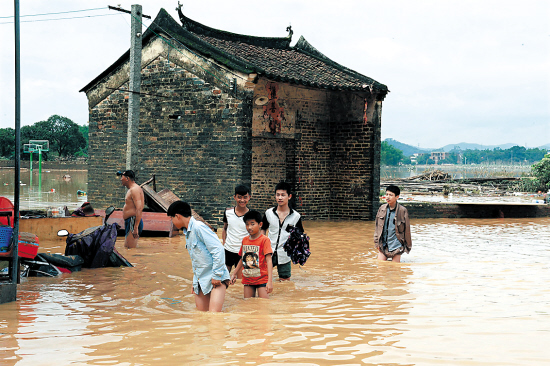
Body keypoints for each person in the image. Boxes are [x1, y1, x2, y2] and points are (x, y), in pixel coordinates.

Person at [167, 200, 230, 312]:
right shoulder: (187, 233)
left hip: (217, 277)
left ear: (177, 216)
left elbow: (218, 250)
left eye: (171, 218)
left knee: (214, 317)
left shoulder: (199, 227)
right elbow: (197, 260)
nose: (171, 222)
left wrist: (217, 275)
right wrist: (195, 281)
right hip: (201, 280)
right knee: (201, 316)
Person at [261, 181, 304, 281]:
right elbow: (263, 229)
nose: (280, 198)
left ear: (289, 196)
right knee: (263, 279)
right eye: (278, 195)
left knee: (285, 283)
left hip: (285, 254)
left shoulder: (296, 216)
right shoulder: (269, 213)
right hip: (268, 252)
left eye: (283, 195)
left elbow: (300, 235)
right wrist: (263, 245)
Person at [230, 210, 273, 298]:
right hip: (248, 279)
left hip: (262, 279)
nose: (249, 227)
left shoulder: (264, 240)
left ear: (260, 224)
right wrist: (234, 274)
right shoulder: (245, 240)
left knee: (264, 305)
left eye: (252, 224)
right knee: (248, 304)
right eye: (247, 224)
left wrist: (270, 281)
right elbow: (242, 259)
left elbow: (269, 260)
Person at [374, 185, 412, 263]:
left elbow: (407, 230)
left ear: (397, 197)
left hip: (396, 246)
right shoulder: (382, 208)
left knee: (395, 269)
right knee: (380, 268)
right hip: (383, 245)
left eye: (391, 195)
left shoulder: (402, 211)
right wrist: (377, 242)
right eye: (387, 194)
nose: (388, 197)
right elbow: (377, 227)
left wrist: (407, 246)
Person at [222, 185, 251, 278]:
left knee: (245, 281)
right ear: (235, 197)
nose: (242, 200)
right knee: (223, 279)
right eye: (239, 197)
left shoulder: (251, 215)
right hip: (229, 250)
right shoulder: (228, 212)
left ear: (249, 197)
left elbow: (255, 235)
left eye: (245, 197)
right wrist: (224, 242)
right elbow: (224, 228)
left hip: (245, 251)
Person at [118, 170, 144, 249]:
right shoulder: (132, 189)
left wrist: (135, 227)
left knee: (130, 249)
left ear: (127, 178)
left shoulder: (134, 189)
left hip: (132, 221)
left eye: (121, 177)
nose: (120, 179)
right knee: (128, 248)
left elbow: (139, 208)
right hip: (130, 222)